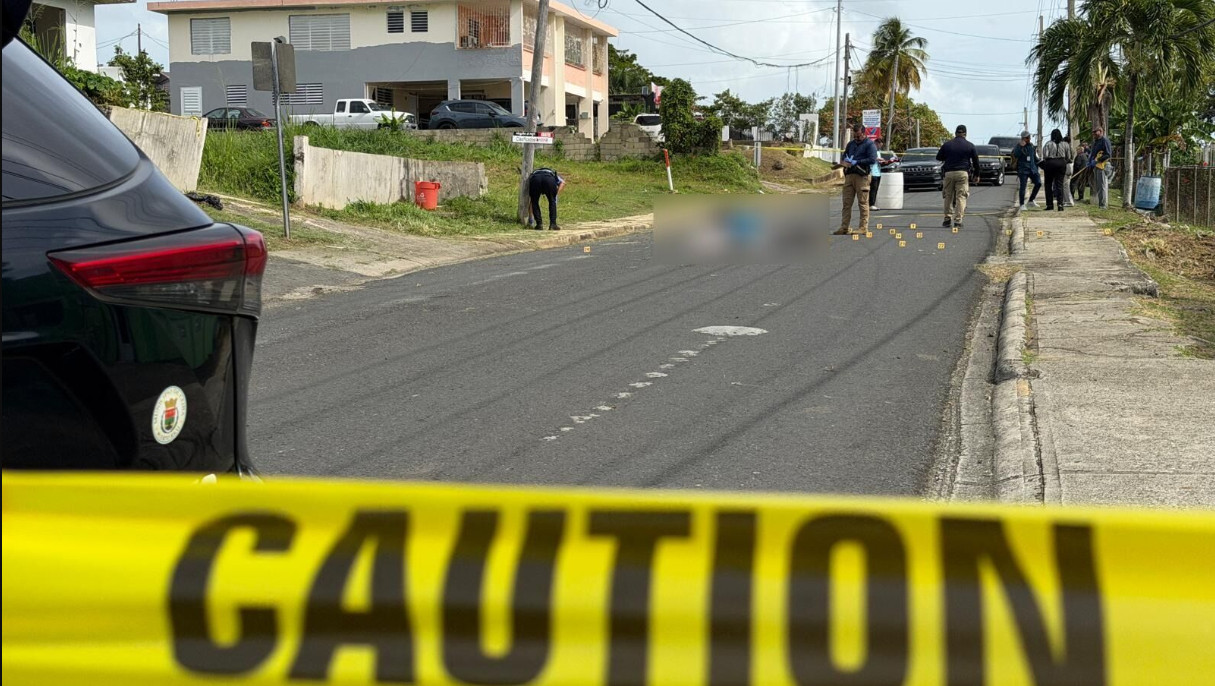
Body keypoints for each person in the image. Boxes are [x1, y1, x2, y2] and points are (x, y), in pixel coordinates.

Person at [833, 124, 878, 235]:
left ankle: (863, 227)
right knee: (846, 203)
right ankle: (844, 227)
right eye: (855, 136)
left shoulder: (869, 145)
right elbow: (844, 156)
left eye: (858, 136)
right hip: (849, 175)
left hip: (862, 176)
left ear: (864, 133)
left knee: (863, 202)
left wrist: (858, 161)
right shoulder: (851, 144)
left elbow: (872, 159)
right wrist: (846, 161)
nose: (857, 138)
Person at [936, 124, 980, 229]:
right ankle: (958, 221)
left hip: (949, 173)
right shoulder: (970, 145)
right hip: (962, 173)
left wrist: (948, 157)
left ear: (955, 133)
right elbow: (976, 162)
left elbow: (938, 157)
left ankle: (947, 219)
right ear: (965, 134)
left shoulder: (947, 145)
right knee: (961, 196)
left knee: (948, 196)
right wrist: (977, 175)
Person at [1040, 129, 1072, 212]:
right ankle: (1060, 204)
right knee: (1059, 184)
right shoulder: (1065, 144)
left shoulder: (1048, 144)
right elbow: (1068, 157)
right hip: (1061, 163)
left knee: (1048, 184)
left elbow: (1045, 155)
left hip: (1050, 163)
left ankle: (1050, 205)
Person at [1012, 131, 1042, 211]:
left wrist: (1040, 163)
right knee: (1023, 187)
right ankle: (1022, 204)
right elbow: (1016, 154)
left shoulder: (1031, 146)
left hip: (1032, 169)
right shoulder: (1018, 146)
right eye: (1027, 137)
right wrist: (1020, 147)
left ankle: (1031, 200)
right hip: (1023, 169)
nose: (1029, 139)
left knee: (1038, 183)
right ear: (1023, 138)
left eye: (1029, 137)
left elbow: (1035, 157)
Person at [1090, 126, 1114, 209]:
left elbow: (1108, 154)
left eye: (1096, 132)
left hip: (1103, 165)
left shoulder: (1104, 140)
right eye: (1093, 132)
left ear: (1101, 131)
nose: (1094, 134)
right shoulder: (1096, 142)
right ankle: (1101, 204)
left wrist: (1098, 160)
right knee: (1098, 186)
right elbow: (1093, 153)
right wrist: (1090, 161)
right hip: (1096, 166)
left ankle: (1103, 205)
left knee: (1102, 185)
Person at [869, 138, 885, 211]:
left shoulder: (878, 151)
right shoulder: (870, 149)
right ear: (876, 143)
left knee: (875, 189)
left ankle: (873, 203)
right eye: (879, 145)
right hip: (872, 172)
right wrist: (878, 159)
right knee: (873, 189)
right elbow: (871, 158)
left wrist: (882, 161)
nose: (879, 147)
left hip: (878, 171)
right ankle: (871, 204)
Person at [1061, 134, 1075, 207]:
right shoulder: (1071, 148)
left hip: (1067, 166)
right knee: (1066, 184)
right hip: (1071, 166)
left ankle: (1068, 201)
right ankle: (1067, 200)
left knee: (1065, 185)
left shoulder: (1066, 148)